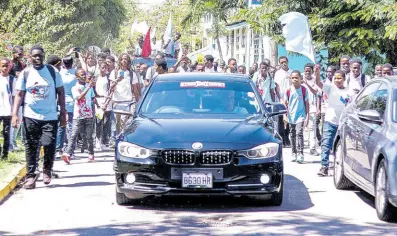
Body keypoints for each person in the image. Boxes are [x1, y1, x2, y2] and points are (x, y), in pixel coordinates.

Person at [12, 45, 66, 189]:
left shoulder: (52, 71)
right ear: (30, 57)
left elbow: (61, 92)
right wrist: (14, 115)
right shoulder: (26, 73)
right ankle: (30, 176)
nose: (37, 58)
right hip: (30, 115)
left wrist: (63, 114)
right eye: (34, 56)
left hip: (50, 116)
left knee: (49, 144)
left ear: (43, 56)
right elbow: (19, 95)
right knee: (31, 145)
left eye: (40, 56)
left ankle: (47, 170)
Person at [307, 67, 350, 176]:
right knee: (326, 144)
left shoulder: (349, 92)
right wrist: (317, 72)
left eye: (339, 78)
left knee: (341, 146)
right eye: (335, 78)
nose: (337, 80)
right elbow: (318, 83)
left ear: (344, 79)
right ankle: (324, 166)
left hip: (343, 124)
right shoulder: (330, 88)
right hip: (330, 122)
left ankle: (341, 168)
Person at [62, 68, 96, 164]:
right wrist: (88, 87)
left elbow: (93, 98)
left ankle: (91, 152)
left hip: (88, 114)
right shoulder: (75, 88)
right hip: (78, 115)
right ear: (77, 77)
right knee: (74, 134)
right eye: (82, 75)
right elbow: (79, 98)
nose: (84, 76)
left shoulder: (89, 87)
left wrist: (100, 107)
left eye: (85, 74)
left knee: (89, 135)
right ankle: (68, 153)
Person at [284, 70, 309, 164]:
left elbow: (307, 103)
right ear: (290, 78)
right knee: (292, 134)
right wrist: (284, 116)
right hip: (291, 116)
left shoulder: (303, 90)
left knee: (299, 133)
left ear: (300, 78)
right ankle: (293, 152)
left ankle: (300, 153)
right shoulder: (288, 90)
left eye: (296, 78)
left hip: (300, 115)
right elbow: (285, 104)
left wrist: (307, 116)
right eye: (293, 78)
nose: (294, 79)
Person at [302, 63, 321, 156]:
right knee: (300, 128)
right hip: (301, 107)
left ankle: (312, 148)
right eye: (306, 71)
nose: (307, 72)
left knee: (312, 128)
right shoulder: (299, 79)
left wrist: (306, 83)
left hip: (311, 107)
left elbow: (315, 92)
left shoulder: (315, 80)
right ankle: (299, 148)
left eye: (309, 70)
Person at [274, 56, 292, 147]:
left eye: (285, 62)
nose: (283, 64)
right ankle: (282, 138)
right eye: (281, 62)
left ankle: (287, 137)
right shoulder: (277, 73)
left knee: (289, 119)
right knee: (281, 119)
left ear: (287, 62)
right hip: (281, 99)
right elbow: (276, 87)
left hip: (290, 99)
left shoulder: (291, 72)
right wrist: (280, 98)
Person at [95, 62, 112, 151]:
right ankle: (98, 140)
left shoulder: (109, 79)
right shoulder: (96, 78)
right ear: (99, 68)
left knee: (106, 123)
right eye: (102, 67)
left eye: (105, 67)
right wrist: (98, 103)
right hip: (98, 102)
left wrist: (106, 103)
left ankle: (105, 142)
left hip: (107, 102)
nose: (103, 69)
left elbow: (111, 91)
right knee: (98, 122)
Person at [0, 58, 13, 160]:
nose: (4, 68)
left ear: (10, 66)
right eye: (2, 66)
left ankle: (5, 154)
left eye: (6, 66)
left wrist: (14, 111)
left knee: (6, 132)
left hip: (8, 111)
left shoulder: (12, 79)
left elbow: (14, 96)